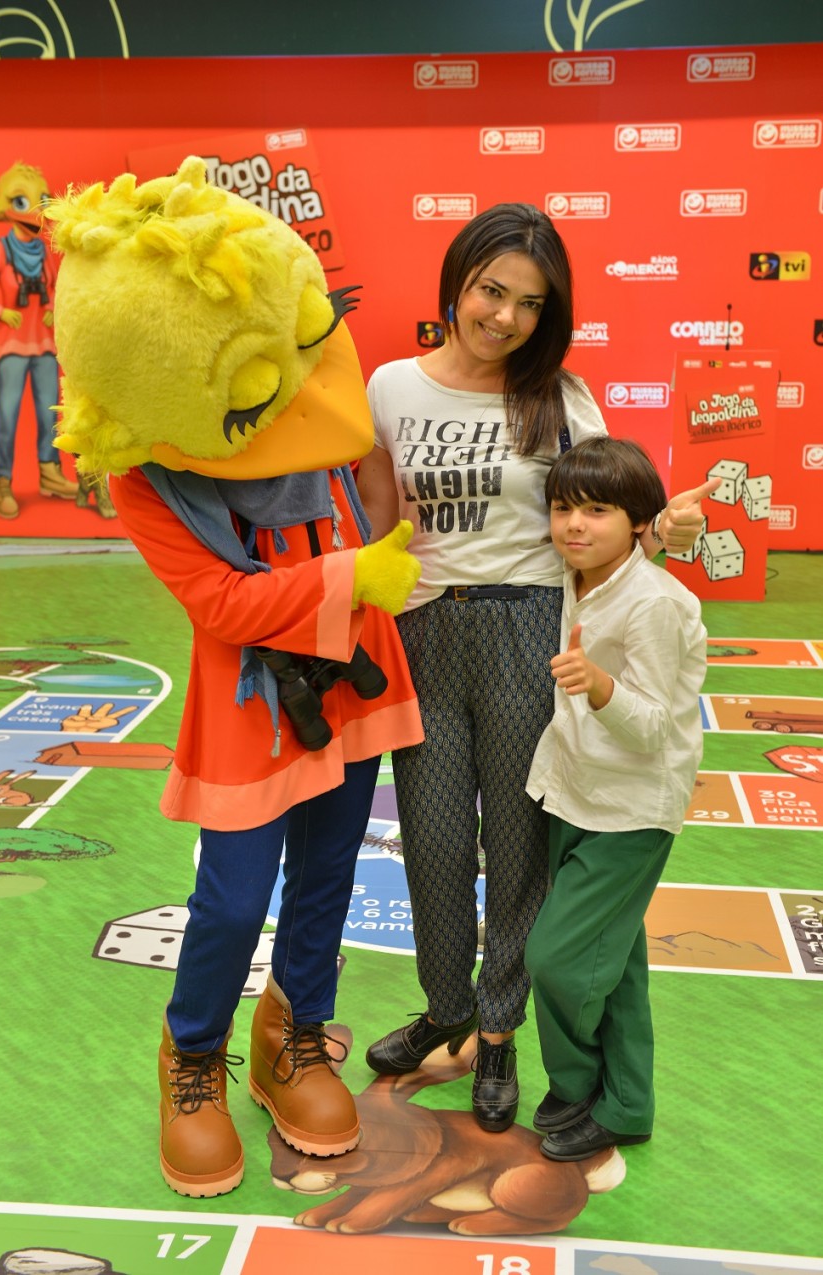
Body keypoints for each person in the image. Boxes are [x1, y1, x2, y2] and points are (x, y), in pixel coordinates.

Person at [45, 158, 425, 1199]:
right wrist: (353, 576)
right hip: (251, 703)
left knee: (329, 875)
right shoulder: (149, 477)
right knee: (231, 897)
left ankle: (293, 1035)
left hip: (347, 677)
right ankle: (194, 1052)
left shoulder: (322, 413)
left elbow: (363, 500)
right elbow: (219, 603)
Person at [356, 202, 716, 1133]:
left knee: (519, 847)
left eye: (530, 303)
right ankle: (446, 1007)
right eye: (492, 291)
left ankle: (498, 1029)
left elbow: (608, 512)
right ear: (456, 284)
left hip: (528, 631)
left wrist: (664, 529)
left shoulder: (561, 396)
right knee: (432, 842)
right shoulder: (390, 386)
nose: (506, 317)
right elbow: (374, 522)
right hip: (424, 633)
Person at [525, 436, 707, 1160]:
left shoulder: (655, 603)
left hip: (630, 809)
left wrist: (600, 687)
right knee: (618, 957)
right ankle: (627, 1104)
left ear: (637, 522)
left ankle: (577, 1082)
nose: (574, 524)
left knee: (556, 958)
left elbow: (656, 727)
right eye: (562, 507)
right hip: (573, 789)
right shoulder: (575, 575)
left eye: (597, 510)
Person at [0, 161, 78, 519]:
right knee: (8, 414)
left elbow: (54, 286)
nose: (33, 212)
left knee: (50, 410)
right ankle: (1, 479)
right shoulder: (0, 250)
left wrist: (50, 307)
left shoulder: (43, 251)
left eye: (41, 202)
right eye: (22, 202)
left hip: (43, 343)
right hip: (11, 346)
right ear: (5, 205)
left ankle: (50, 471)